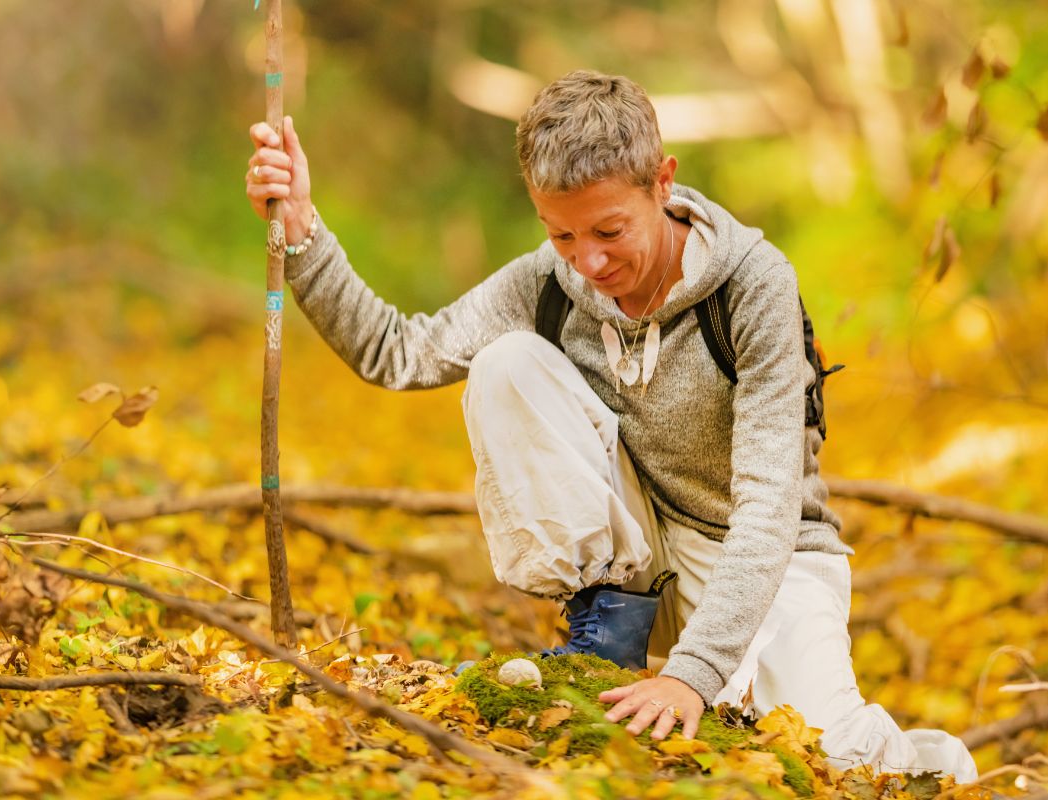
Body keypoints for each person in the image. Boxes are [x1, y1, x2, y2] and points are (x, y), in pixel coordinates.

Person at [243, 70, 977, 781]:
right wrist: (303, 229)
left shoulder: (754, 287)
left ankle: (926, 760)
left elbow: (770, 507)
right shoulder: (549, 283)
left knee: (828, 755)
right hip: (644, 555)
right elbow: (396, 352)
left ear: (662, 182)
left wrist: (692, 676)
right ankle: (608, 639)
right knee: (505, 366)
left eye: (609, 230)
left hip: (765, 558)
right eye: (561, 235)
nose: (588, 261)